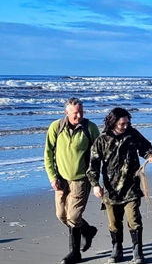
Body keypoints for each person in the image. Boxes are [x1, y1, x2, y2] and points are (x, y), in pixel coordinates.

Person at [87, 107, 152, 264]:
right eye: (122, 123)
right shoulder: (102, 140)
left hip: (131, 186)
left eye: (127, 122)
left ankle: (137, 251)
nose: (126, 126)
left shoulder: (132, 134)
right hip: (110, 189)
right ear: (113, 122)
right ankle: (117, 249)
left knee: (134, 219)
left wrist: (150, 155)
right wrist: (95, 185)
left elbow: (145, 146)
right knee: (114, 222)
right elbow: (93, 164)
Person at [44, 97, 101, 264]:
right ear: (66, 112)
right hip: (61, 180)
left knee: (73, 217)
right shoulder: (56, 127)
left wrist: (96, 180)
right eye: (75, 113)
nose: (79, 116)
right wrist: (52, 177)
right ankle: (88, 230)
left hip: (81, 180)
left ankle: (74, 253)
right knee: (61, 215)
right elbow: (48, 154)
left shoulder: (90, 128)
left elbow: (98, 155)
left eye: (81, 112)